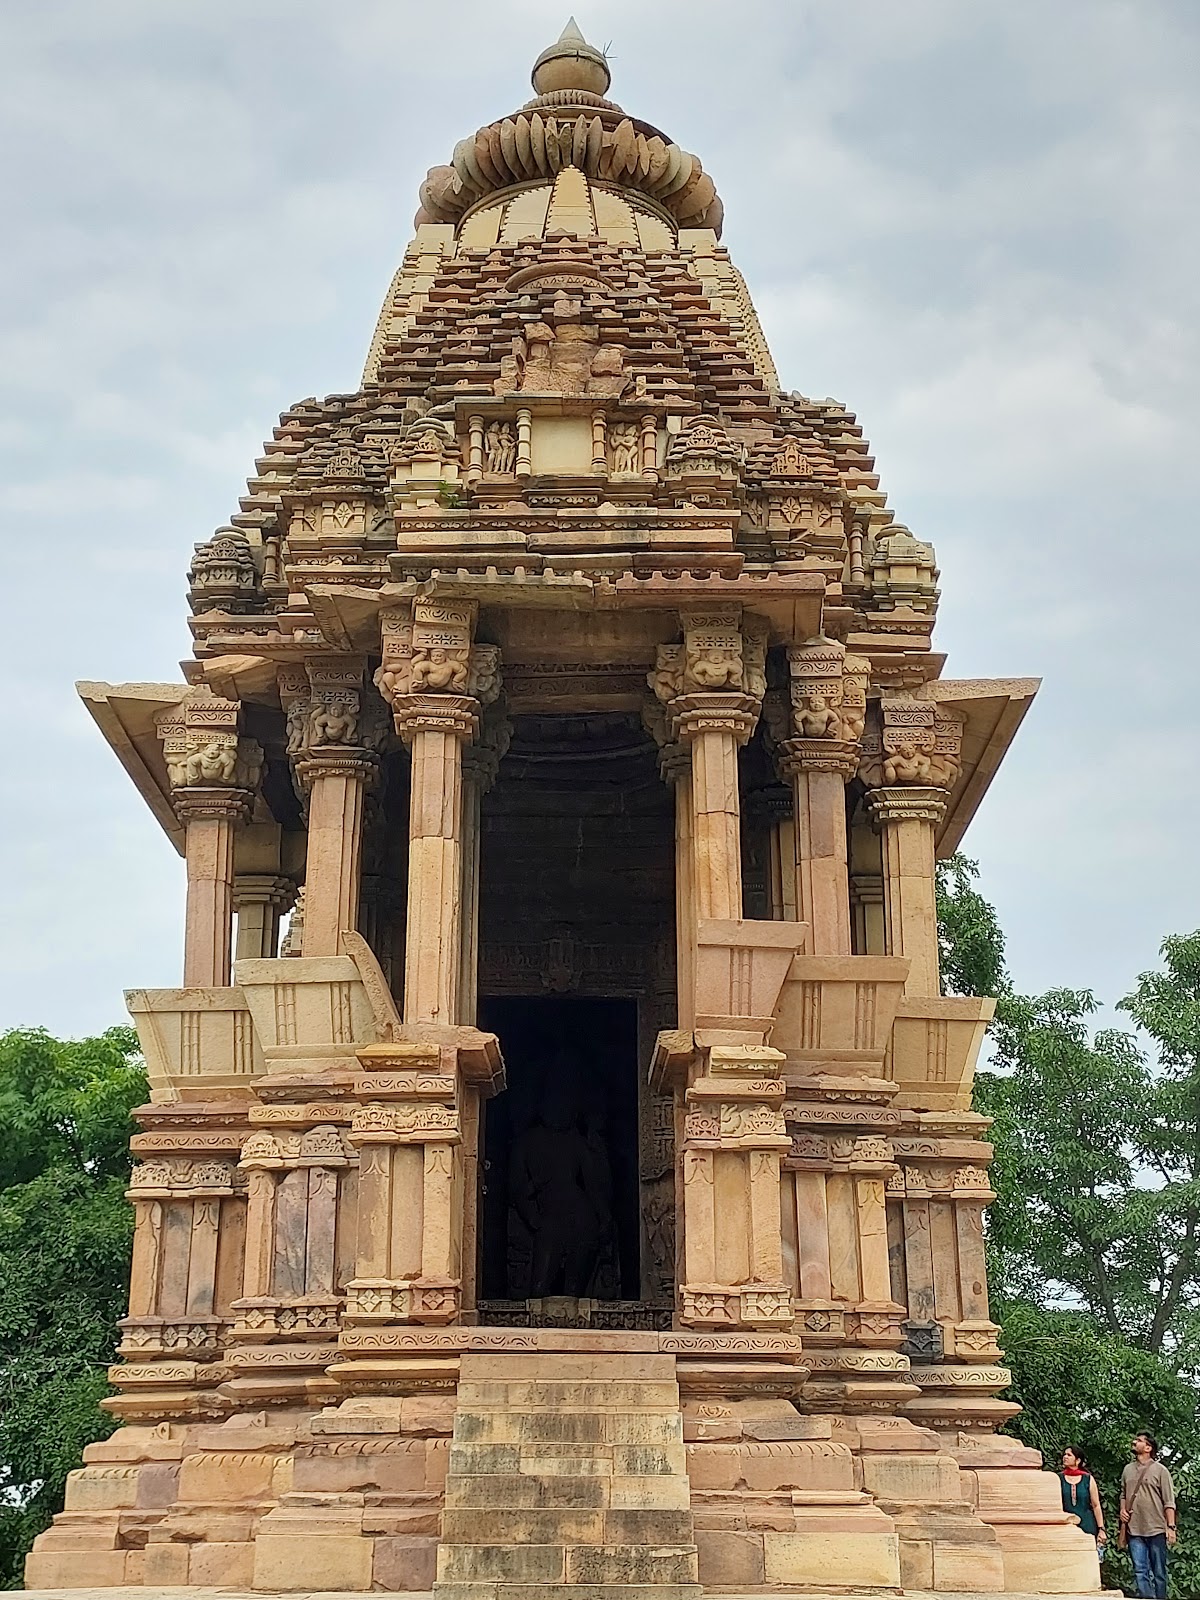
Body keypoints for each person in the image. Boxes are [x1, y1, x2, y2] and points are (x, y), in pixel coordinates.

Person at [1120, 1431, 1177, 1600]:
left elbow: (1169, 1501)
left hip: (1156, 1528)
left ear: (1148, 1447)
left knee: (1159, 1571)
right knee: (1139, 1570)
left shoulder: (1161, 1471)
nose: (1133, 1442)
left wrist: (1171, 1527)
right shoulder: (1127, 1469)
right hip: (1134, 1528)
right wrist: (1122, 1510)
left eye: (1138, 1440)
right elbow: (1123, 1494)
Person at [1060, 1446, 1107, 1553]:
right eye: (1064, 1454)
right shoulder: (1059, 1478)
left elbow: (1096, 1505)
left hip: (1086, 1524)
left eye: (1069, 1455)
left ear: (1078, 1460)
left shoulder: (1087, 1478)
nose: (1065, 1457)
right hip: (1066, 1525)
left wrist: (1101, 1529)